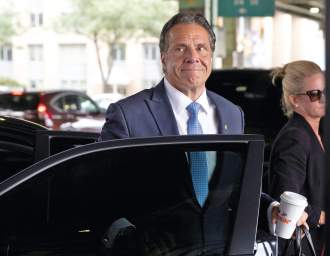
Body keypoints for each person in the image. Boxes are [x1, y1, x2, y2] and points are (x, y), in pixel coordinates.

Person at [100, 12, 280, 255]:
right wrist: (128, 237)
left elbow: (236, 185)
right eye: (180, 48)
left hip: (220, 248)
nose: (193, 56)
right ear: (163, 58)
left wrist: (271, 209)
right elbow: (100, 191)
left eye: (201, 48)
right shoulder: (128, 114)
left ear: (211, 56)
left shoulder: (231, 113)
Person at [269, 60, 326, 255]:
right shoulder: (295, 137)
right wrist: (324, 216)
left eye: (325, 92)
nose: (323, 98)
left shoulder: (316, 132)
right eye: (315, 94)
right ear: (295, 100)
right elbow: (287, 199)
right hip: (301, 246)